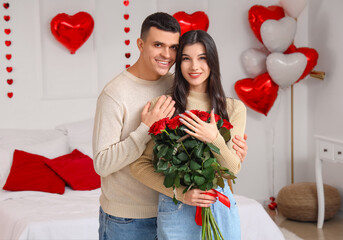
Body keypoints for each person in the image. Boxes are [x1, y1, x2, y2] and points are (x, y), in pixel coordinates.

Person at [93, 12, 247, 240]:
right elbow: (105, 164)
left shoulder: (175, 85)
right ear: (140, 44)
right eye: (158, 45)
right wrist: (146, 128)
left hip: (183, 207)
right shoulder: (120, 95)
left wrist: (221, 145)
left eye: (173, 48)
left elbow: (231, 167)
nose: (167, 55)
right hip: (131, 217)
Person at [130, 30, 246, 239]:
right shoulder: (163, 105)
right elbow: (139, 165)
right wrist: (180, 193)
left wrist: (214, 139)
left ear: (213, 61)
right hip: (176, 208)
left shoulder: (234, 108)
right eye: (186, 59)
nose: (194, 66)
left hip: (219, 205)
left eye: (202, 58)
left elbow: (232, 169)